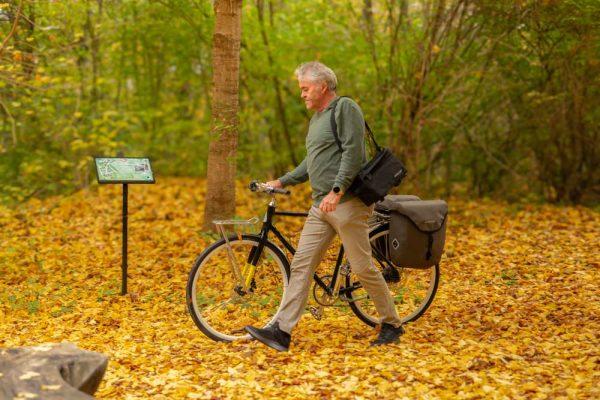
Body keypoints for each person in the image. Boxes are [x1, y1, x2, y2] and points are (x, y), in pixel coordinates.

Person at [245, 61, 404, 351]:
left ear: (322, 86)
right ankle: (282, 331)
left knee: (362, 267)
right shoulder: (317, 119)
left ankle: (392, 323)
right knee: (301, 265)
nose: (302, 94)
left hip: (346, 204)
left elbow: (354, 153)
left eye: (305, 89)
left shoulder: (345, 109)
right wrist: (283, 181)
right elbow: (312, 161)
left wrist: (337, 190)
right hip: (321, 206)